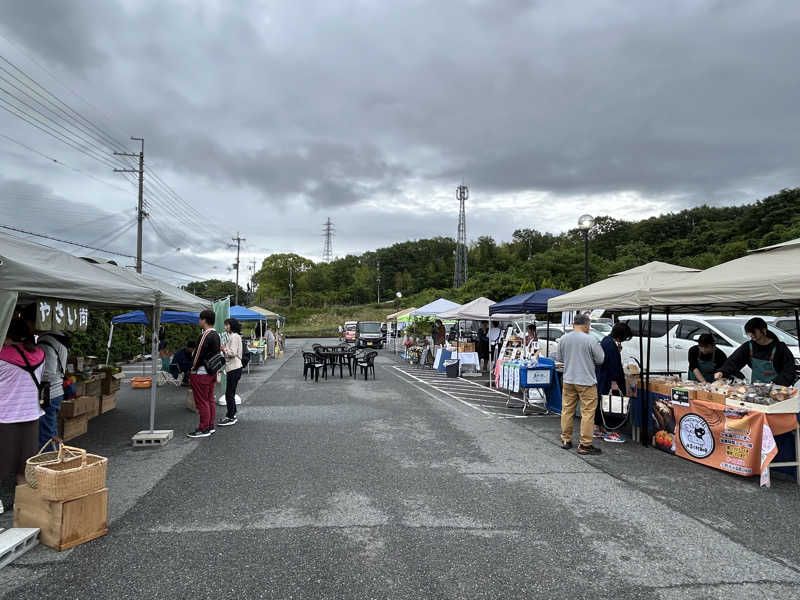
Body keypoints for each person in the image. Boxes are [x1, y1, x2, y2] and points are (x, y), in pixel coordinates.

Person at [0, 317, 45, 511]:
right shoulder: (40, 354)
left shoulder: (2, 355)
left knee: (2, 461)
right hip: (31, 415)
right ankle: (24, 502)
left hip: (5, 416)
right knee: (25, 463)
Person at [553, 313, 605, 455]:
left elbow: (560, 358)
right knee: (587, 413)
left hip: (569, 379)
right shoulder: (591, 339)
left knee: (567, 410)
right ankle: (585, 444)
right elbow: (600, 359)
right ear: (586, 324)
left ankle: (566, 439)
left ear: (573, 324)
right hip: (586, 381)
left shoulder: (563, 339)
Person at [715, 317, 797, 385]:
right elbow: (733, 361)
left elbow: (789, 370)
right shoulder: (748, 346)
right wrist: (722, 372)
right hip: (756, 388)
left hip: (777, 389)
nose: (751, 335)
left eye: (753, 332)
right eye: (749, 333)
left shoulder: (780, 348)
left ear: (764, 330)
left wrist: (776, 383)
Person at [594, 322, 632, 443]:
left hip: (603, 378)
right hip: (610, 380)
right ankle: (610, 431)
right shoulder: (610, 345)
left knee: (602, 403)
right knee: (612, 405)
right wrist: (614, 381)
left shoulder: (605, 340)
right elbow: (613, 365)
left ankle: (597, 428)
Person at [188, 309, 221, 438]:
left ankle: (203, 428)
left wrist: (192, 368)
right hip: (211, 371)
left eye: (200, 319)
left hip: (201, 372)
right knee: (209, 399)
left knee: (201, 401)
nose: (199, 321)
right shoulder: (216, 335)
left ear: (204, 320)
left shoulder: (205, 335)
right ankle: (210, 425)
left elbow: (197, 354)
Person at [219, 318, 243, 427]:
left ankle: (230, 416)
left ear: (231, 325)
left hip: (234, 367)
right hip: (236, 367)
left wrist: (224, 349)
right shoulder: (236, 336)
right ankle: (232, 413)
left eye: (227, 325)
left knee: (229, 393)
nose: (225, 327)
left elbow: (232, 353)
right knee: (231, 393)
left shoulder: (233, 336)